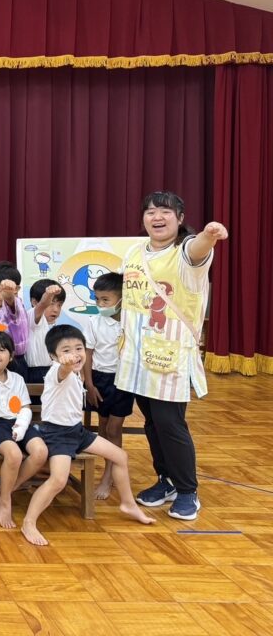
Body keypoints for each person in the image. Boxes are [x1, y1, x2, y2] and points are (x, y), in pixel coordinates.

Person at [117, 190, 228, 521]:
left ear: (180, 219)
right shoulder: (134, 252)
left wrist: (209, 235)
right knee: (151, 422)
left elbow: (198, 250)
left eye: (165, 211)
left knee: (170, 423)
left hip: (169, 358)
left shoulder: (185, 252)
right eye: (150, 211)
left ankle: (187, 490)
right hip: (137, 357)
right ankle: (165, 480)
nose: (157, 217)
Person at [22, 324, 155, 545]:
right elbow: (62, 372)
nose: (74, 354)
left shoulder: (78, 374)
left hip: (77, 432)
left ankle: (128, 504)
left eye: (79, 348)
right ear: (53, 356)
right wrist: (65, 364)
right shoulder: (56, 372)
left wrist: (72, 365)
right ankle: (29, 522)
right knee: (58, 480)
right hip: (57, 435)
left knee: (120, 456)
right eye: (66, 350)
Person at [0, 330, 48, 529]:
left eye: (2, 350)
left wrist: (21, 427)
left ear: (11, 356)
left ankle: (10, 488)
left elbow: (25, 408)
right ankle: (5, 501)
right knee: (14, 454)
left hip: (17, 422)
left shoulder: (17, 379)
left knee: (41, 452)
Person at [83, 272, 133, 500]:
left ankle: (108, 477)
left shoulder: (130, 323)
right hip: (99, 379)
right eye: (97, 299)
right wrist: (89, 384)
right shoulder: (94, 322)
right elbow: (88, 353)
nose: (100, 304)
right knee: (103, 427)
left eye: (106, 300)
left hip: (123, 380)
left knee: (114, 428)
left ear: (121, 299)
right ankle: (109, 469)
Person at [0, 261, 31, 379]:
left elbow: (10, 300)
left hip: (15, 362)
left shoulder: (15, 304)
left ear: (16, 289)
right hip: (3, 358)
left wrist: (9, 293)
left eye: (1, 289)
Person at [24, 279, 65, 384]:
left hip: (53, 370)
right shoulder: (32, 318)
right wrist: (48, 294)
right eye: (51, 303)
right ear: (34, 302)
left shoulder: (53, 327)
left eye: (59, 305)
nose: (56, 309)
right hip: (36, 373)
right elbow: (42, 305)